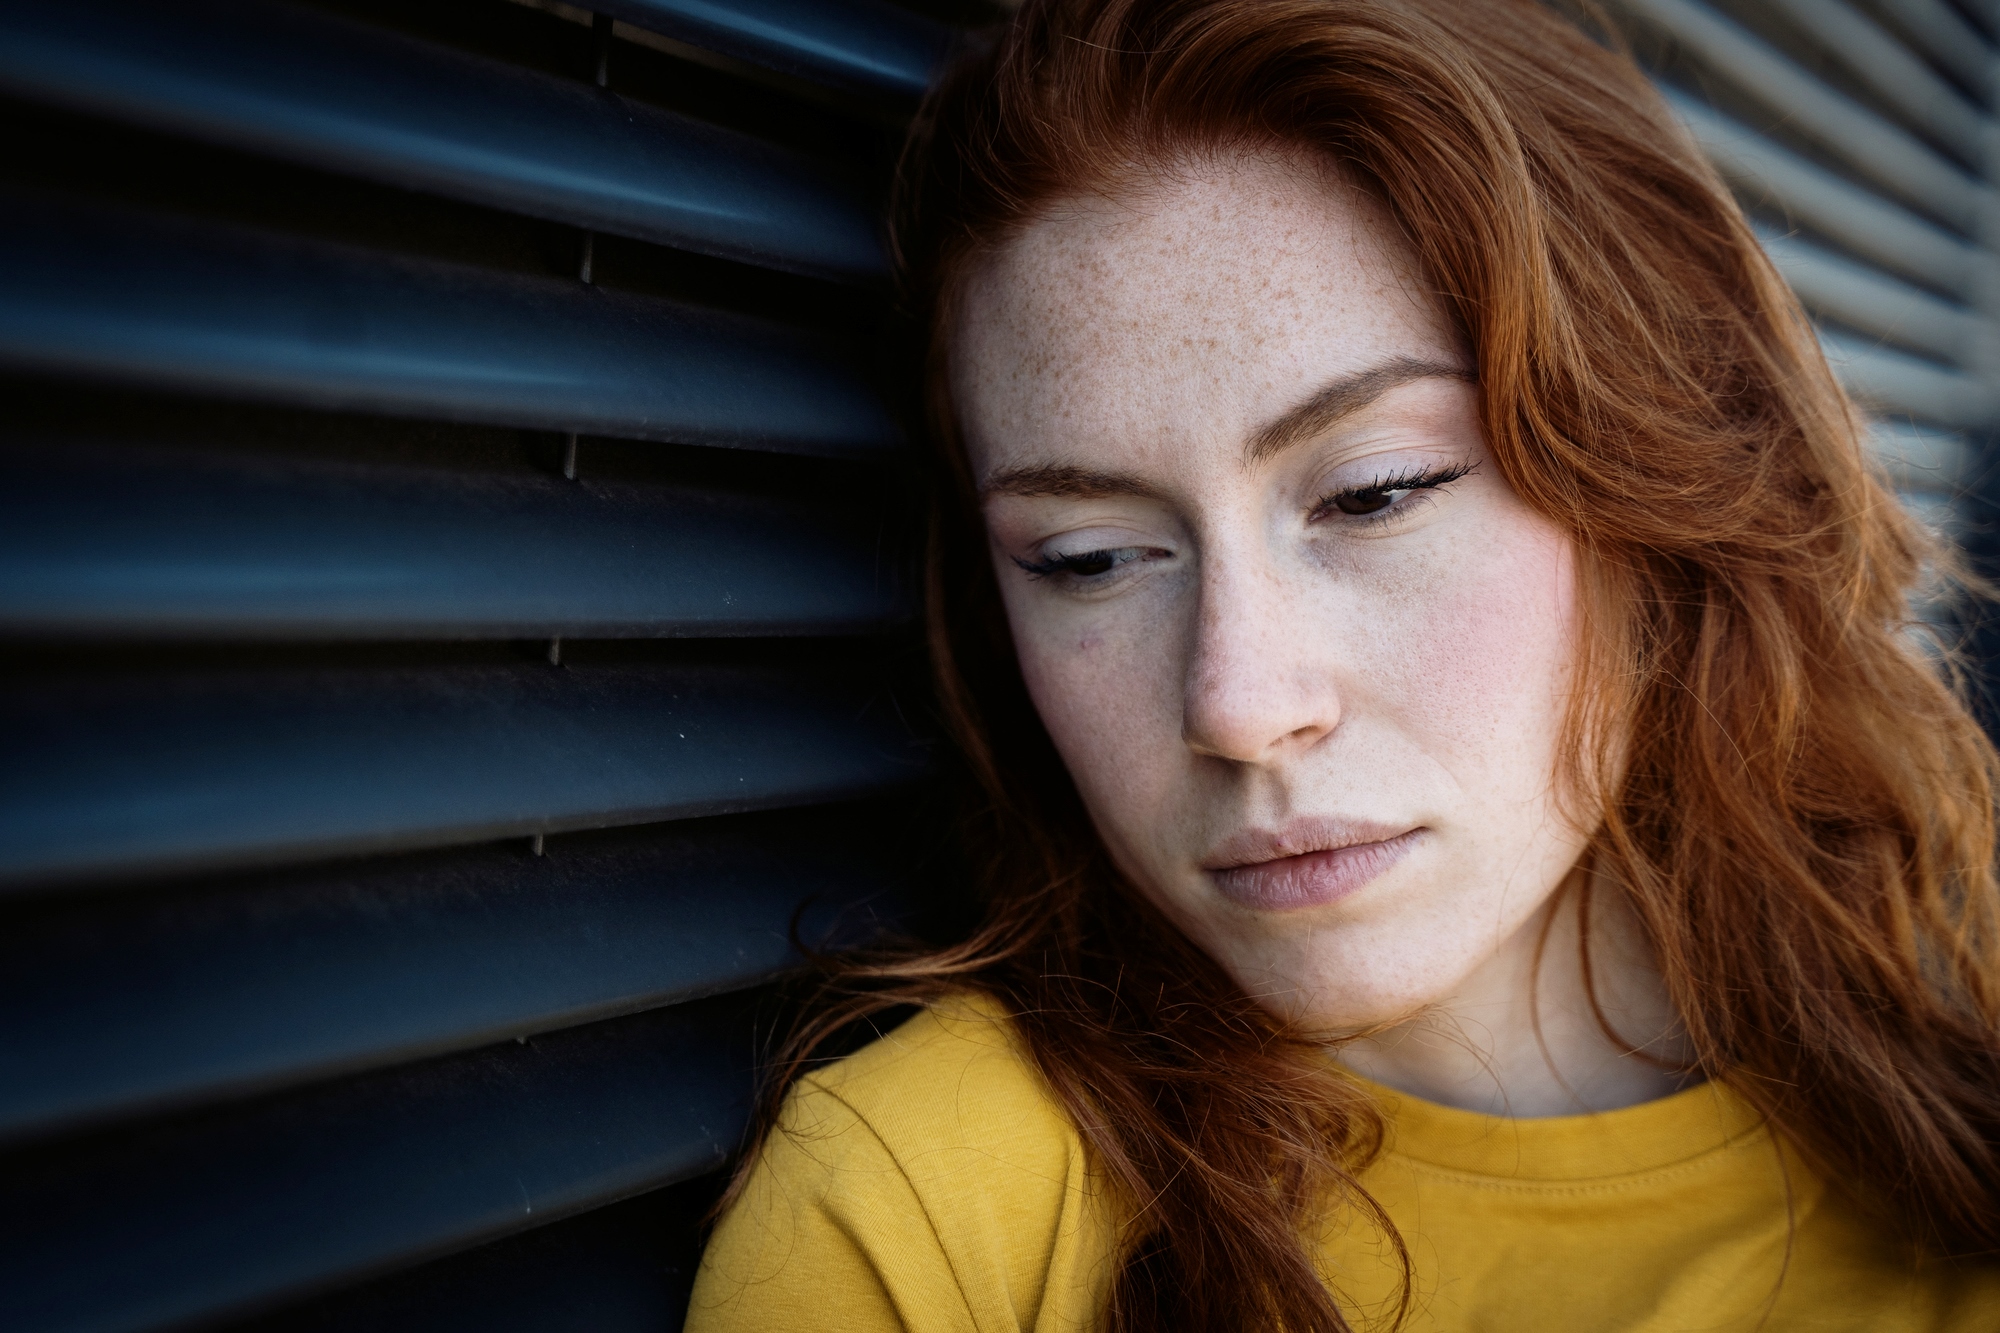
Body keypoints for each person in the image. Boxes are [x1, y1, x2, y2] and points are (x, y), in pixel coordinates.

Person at [685, 1, 2000, 1328]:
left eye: (1374, 494)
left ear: (1653, 482)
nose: (1241, 707)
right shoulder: (925, 1222)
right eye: (1087, 556)